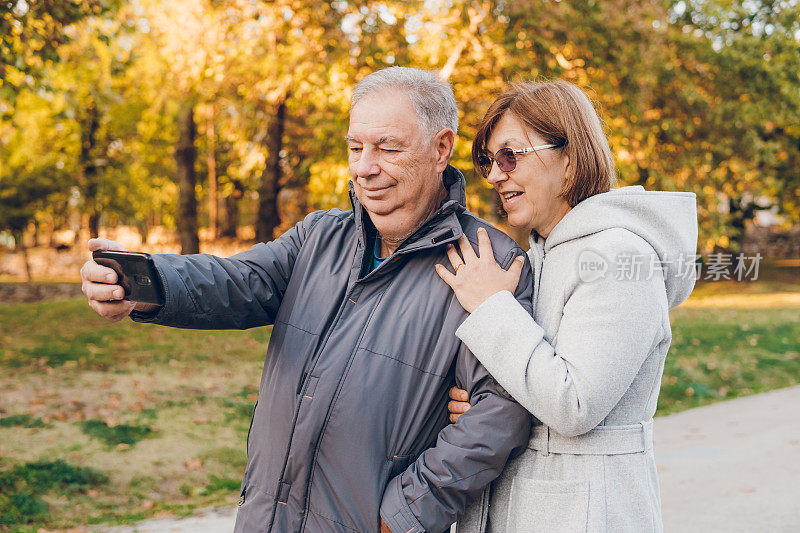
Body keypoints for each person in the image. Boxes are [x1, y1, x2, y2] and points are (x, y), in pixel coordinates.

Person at [79, 67, 533, 533]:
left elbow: (497, 415)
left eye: (387, 148)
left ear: (441, 149)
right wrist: (144, 283)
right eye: (355, 148)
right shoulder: (319, 237)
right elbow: (235, 280)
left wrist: (403, 516)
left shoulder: (489, 264)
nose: (364, 167)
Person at [436, 80, 697, 532]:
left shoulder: (618, 257)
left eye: (510, 156)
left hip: (587, 511)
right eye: (488, 161)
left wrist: (492, 305)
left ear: (570, 158)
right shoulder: (543, 253)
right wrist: (488, 405)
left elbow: (574, 403)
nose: (495, 175)